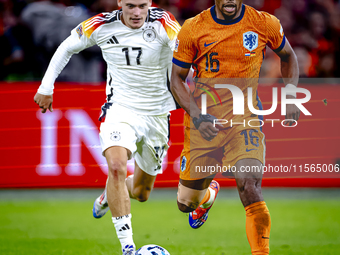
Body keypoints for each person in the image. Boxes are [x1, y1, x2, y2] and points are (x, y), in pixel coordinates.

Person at [33, 0, 180, 254]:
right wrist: (46, 87)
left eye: (142, 6)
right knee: (116, 166)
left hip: (157, 114)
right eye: (131, 5)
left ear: (150, 3)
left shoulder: (164, 23)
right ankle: (128, 247)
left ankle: (106, 196)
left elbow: (183, 51)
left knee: (142, 192)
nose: (136, 12)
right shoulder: (100, 24)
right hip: (120, 109)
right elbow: (67, 47)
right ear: (120, 2)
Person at [170, 0, 300, 254]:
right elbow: (176, 78)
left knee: (249, 185)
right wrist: (196, 115)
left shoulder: (263, 23)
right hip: (204, 124)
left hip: (245, 120)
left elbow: (288, 56)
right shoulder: (193, 28)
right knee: (185, 203)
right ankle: (206, 197)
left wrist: (292, 93)